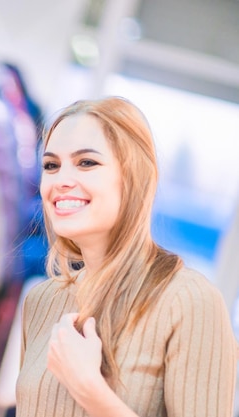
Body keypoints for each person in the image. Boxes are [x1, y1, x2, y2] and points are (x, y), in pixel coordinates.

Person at [16, 97, 237, 416]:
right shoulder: (41, 300)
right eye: (51, 165)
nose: (61, 180)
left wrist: (89, 390)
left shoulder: (189, 302)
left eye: (86, 162)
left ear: (133, 178)